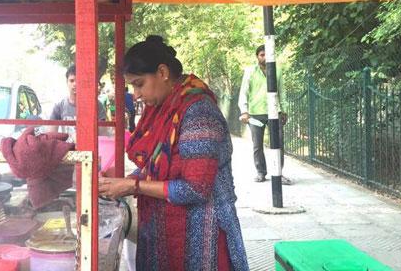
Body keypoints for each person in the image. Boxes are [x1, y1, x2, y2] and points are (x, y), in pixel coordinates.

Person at [98, 35, 249, 271]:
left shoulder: (198, 112)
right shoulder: (162, 108)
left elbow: (196, 188)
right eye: (132, 87)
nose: (135, 95)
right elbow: (160, 164)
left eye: (139, 84)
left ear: (162, 72)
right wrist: (126, 179)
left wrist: (132, 186)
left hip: (203, 240)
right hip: (167, 234)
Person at [238, 45, 291, 184]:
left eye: (267, 54)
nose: (265, 57)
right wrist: (244, 111)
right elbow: (244, 92)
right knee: (257, 145)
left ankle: (278, 173)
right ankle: (261, 172)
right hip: (255, 113)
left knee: (278, 143)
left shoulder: (277, 70)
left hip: (275, 111)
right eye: (262, 55)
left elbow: (282, 91)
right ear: (257, 56)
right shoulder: (250, 71)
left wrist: (284, 110)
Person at [48, 64, 107, 141]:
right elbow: (51, 135)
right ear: (67, 82)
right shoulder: (59, 106)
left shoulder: (97, 105)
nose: (75, 84)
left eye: (79, 81)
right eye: (71, 81)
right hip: (67, 151)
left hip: (89, 150)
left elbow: (103, 135)